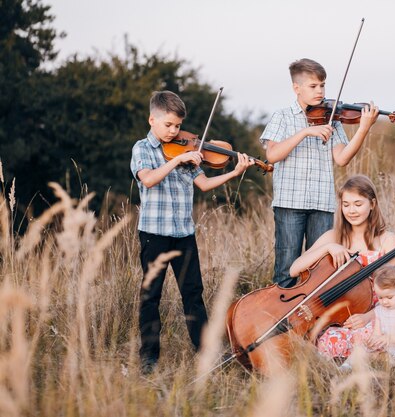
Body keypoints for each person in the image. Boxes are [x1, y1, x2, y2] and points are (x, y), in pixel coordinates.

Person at [130, 90, 254, 374]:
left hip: (183, 234)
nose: (174, 131)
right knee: (151, 296)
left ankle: (205, 352)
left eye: (177, 125)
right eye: (168, 125)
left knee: (193, 294)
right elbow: (148, 179)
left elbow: (205, 184)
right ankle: (149, 358)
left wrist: (235, 173)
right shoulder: (143, 149)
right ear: (153, 120)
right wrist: (175, 161)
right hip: (154, 234)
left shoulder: (187, 151)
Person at [261, 58, 381, 288]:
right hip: (289, 203)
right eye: (313, 86)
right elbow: (273, 155)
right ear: (297, 88)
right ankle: (283, 323)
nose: (320, 91)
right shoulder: (282, 117)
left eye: (322, 85)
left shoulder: (332, 118)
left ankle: (316, 322)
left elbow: (342, 158)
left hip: (322, 204)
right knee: (287, 270)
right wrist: (306, 132)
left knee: (321, 272)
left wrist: (364, 128)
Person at [289, 174, 395, 360]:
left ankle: (374, 358)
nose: (351, 210)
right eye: (346, 204)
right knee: (328, 342)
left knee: (384, 335)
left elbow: (394, 289)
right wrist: (328, 247)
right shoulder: (333, 236)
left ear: (372, 204)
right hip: (341, 316)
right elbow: (294, 269)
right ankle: (368, 358)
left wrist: (368, 317)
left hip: (376, 314)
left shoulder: (387, 239)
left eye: (358, 204)